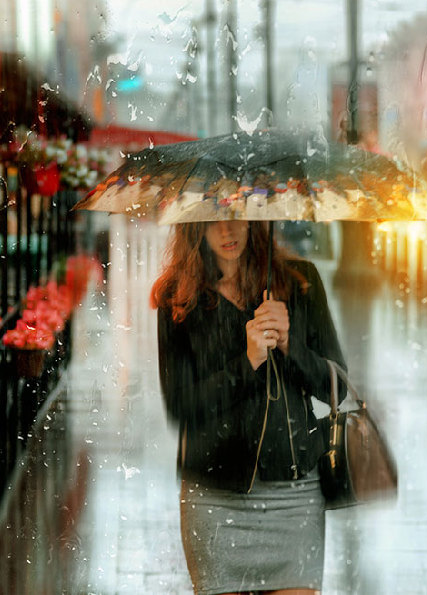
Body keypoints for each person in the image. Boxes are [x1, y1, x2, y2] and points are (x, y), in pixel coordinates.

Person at [150, 220, 346, 595]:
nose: (228, 231)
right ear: (195, 226)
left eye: (238, 215)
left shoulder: (299, 282)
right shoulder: (178, 299)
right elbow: (181, 406)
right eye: (214, 220)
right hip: (215, 497)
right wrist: (248, 361)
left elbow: (333, 387)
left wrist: (291, 347)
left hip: (295, 493)